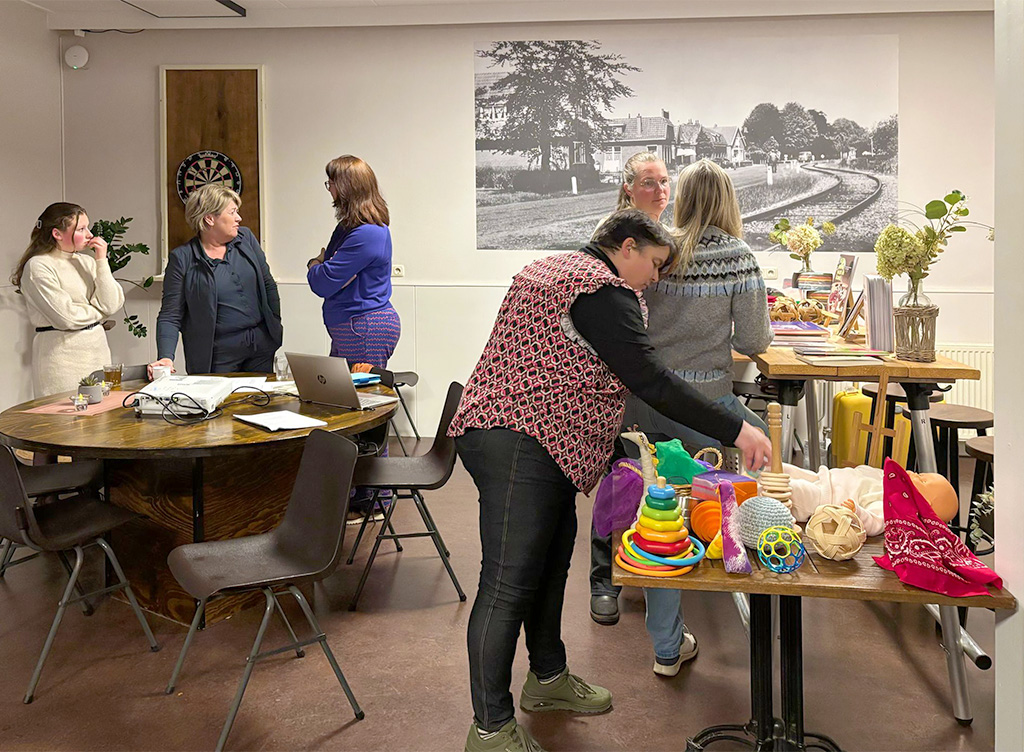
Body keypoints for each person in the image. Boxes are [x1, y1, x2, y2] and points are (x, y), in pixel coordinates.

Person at [449, 209, 772, 752]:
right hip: (518, 441)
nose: (656, 276)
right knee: (506, 583)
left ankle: (548, 680)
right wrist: (736, 427)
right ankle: (489, 728)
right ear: (627, 247)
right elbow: (649, 379)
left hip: (522, 434)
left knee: (550, 564)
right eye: (655, 263)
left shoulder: (557, 269)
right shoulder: (605, 290)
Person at [629, 158, 774, 678]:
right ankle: (746, 592)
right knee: (735, 492)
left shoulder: (657, 250)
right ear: (730, 200)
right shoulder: (740, 258)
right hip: (708, 408)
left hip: (645, 403)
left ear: (683, 197)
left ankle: (666, 648)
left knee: (657, 518)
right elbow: (755, 341)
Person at [589, 152, 671, 627]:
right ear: (627, 189)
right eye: (648, 182)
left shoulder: (672, 237)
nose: (660, 191)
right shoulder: (611, 236)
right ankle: (604, 579)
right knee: (618, 477)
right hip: (620, 377)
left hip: (659, 377)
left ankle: (656, 564)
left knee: (661, 480)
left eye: (664, 182)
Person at [307, 155, 400, 524]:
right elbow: (330, 273)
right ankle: (360, 494)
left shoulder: (367, 234)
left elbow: (323, 280)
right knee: (347, 409)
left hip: (365, 328)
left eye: (331, 182)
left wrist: (317, 265)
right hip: (353, 328)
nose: (327, 188)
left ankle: (375, 501)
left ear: (346, 187)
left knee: (364, 412)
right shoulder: (349, 228)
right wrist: (325, 266)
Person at [150, 184, 282, 376]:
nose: (239, 218)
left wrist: (275, 324)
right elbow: (171, 314)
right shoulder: (182, 258)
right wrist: (166, 356)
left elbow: (268, 284)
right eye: (233, 212)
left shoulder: (246, 239)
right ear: (209, 219)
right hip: (217, 354)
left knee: (262, 404)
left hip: (260, 346)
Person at [12, 202, 124, 397]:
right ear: (57, 233)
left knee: (101, 422)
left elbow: (112, 304)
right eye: (81, 229)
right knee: (65, 421)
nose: (90, 234)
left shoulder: (87, 261)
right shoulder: (39, 266)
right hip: (61, 359)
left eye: (87, 227)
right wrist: (99, 311)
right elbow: (66, 317)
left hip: (96, 352)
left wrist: (101, 260)